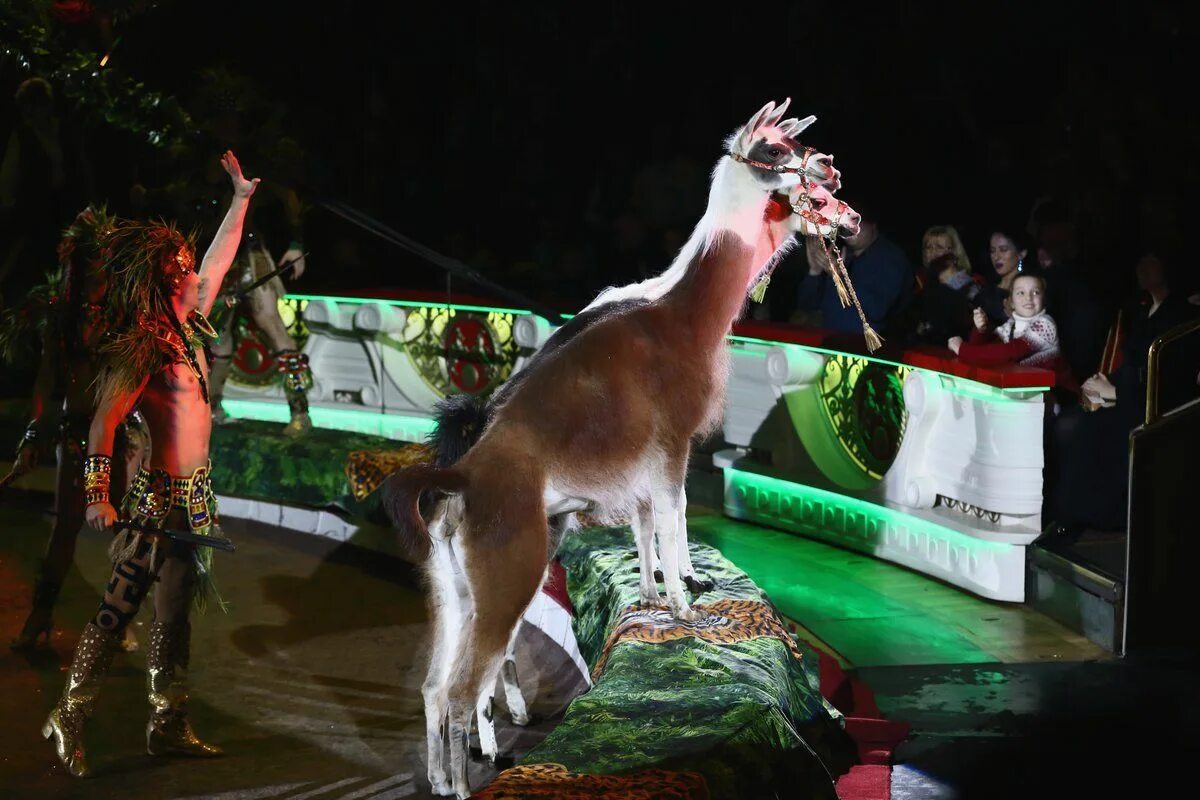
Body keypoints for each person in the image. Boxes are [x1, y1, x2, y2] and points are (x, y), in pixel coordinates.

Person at [42, 151, 257, 778]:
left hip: (194, 499)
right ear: (167, 286)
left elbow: (221, 259)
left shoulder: (190, 331)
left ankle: (168, 721)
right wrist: (97, 495)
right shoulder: (146, 348)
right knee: (118, 606)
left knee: (174, 608)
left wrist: (240, 200)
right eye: (187, 272)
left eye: (193, 269)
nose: (199, 276)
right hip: (155, 501)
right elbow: (103, 421)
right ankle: (69, 714)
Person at [4, 206, 149, 652]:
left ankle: (117, 618)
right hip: (75, 431)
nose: (97, 269)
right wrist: (34, 433)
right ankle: (41, 615)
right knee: (65, 527)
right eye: (89, 260)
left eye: (104, 259)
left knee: (124, 529)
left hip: (122, 432)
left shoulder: (130, 312)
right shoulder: (61, 313)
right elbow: (48, 379)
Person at [796, 201, 911, 334]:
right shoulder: (839, 255)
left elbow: (877, 310)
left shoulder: (890, 259)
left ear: (873, 224)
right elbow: (807, 305)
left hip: (864, 350)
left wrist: (840, 276)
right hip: (831, 343)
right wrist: (814, 272)